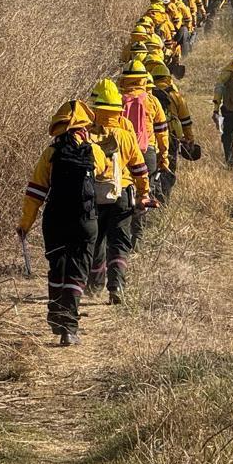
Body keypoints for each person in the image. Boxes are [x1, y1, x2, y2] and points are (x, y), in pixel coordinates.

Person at [20, 100, 108, 345]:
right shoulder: (93, 151)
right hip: (86, 220)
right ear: (83, 125)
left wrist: (25, 223)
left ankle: (56, 316)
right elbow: (103, 169)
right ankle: (69, 328)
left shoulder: (50, 152)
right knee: (77, 270)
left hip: (55, 219)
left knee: (57, 267)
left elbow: (36, 191)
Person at [87, 79, 153, 304]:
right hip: (122, 194)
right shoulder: (125, 135)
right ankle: (116, 286)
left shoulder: (86, 135)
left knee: (95, 240)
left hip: (93, 196)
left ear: (95, 108)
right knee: (119, 242)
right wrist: (144, 193)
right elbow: (139, 168)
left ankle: (94, 286)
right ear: (118, 109)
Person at [118, 59, 171, 221]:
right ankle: (139, 230)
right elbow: (162, 132)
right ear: (144, 79)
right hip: (147, 152)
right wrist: (164, 156)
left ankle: (123, 227)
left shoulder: (117, 100)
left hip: (122, 153)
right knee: (145, 195)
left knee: (123, 191)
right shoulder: (152, 101)